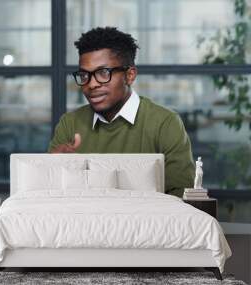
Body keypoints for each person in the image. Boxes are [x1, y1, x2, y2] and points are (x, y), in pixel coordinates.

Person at [48, 27, 195, 197]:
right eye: (84, 75)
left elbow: (182, 197)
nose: (91, 84)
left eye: (103, 73)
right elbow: (50, 196)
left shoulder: (165, 123)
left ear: (130, 75)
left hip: (145, 222)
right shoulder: (70, 123)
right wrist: (51, 169)